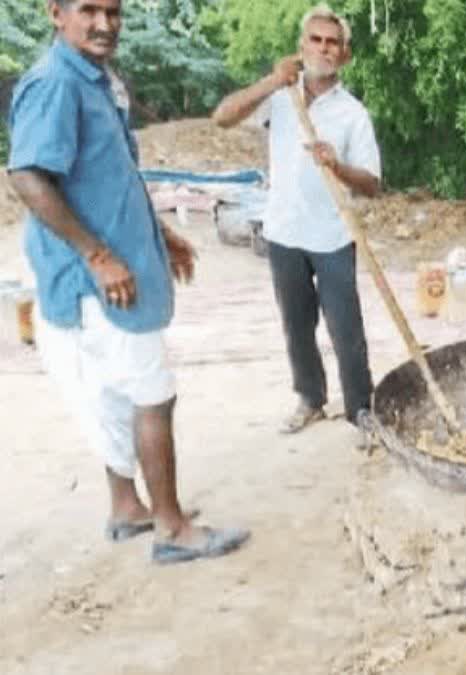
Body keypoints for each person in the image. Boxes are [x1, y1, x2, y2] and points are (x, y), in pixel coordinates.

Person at [7, 0, 248, 564]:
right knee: (152, 396)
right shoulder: (55, 84)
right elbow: (27, 176)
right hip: (99, 282)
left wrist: (161, 235)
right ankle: (172, 528)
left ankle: (126, 507)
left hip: (115, 268)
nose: (103, 24)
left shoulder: (95, 80)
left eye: (113, 12)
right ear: (55, 13)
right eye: (88, 10)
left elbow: (108, 179)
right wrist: (98, 256)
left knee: (115, 392)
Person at [212, 4, 381, 438]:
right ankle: (310, 398)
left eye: (333, 43)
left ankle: (362, 409)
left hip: (332, 236)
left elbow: (372, 184)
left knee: (346, 330)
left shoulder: (352, 114)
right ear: (302, 46)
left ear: (344, 55)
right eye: (316, 40)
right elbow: (223, 117)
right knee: (296, 325)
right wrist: (273, 80)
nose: (324, 48)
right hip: (284, 231)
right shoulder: (279, 97)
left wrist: (338, 166)